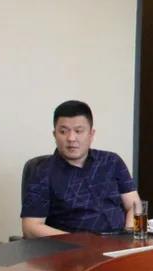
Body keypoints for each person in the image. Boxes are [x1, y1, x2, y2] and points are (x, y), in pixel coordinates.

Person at [21, 100, 141, 238]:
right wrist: (78, 242)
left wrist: (129, 235)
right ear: (54, 135)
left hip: (121, 243)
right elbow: (31, 227)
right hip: (72, 248)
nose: (71, 138)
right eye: (63, 131)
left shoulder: (112, 161)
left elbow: (134, 205)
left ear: (91, 134)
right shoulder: (42, 172)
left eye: (78, 131)